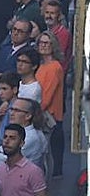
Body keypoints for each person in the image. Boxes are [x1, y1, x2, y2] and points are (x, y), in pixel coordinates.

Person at [34, 32, 64, 176]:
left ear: (53, 46)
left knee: (44, 154)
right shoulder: (41, 65)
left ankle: (44, 186)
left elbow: (46, 97)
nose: (44, 46)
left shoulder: (54, 67)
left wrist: (32, 113)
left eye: (47, 43)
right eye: (41, 42)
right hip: (39, 113)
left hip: (47, 116)